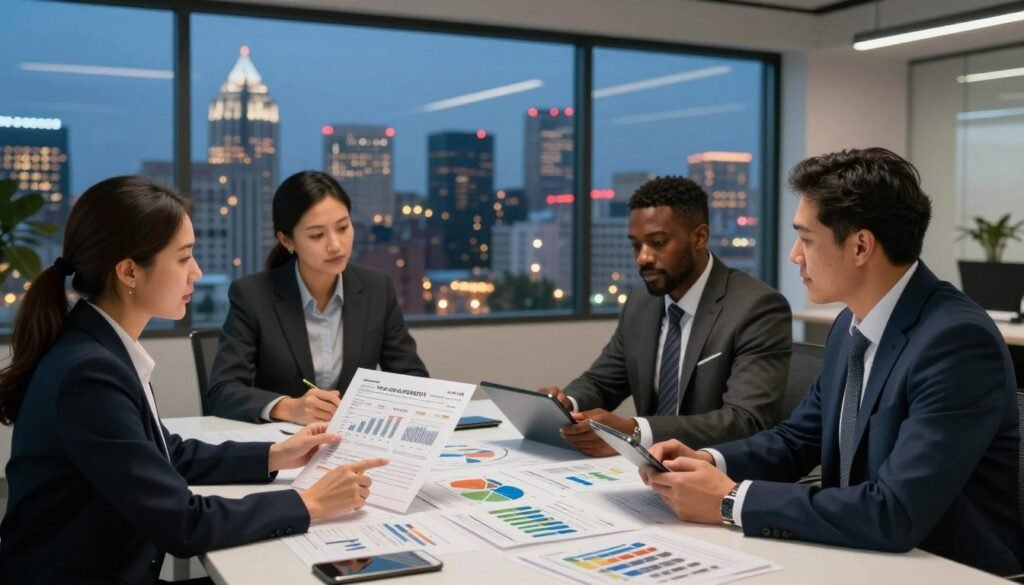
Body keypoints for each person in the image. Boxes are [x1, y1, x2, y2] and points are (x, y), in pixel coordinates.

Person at [641, 148, 1024, 575]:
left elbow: (894, 512)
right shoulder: (850, 325)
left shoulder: (955, 342)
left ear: (861, 245)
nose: (794, 256)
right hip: (856, 554)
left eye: (806, 239)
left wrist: (731, 501)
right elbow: (796, 439)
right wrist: (708, 462)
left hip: (946, 568)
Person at [0, 176, 388, 585]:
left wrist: (276, 454)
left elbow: (168, 454)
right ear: (129, 271)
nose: (197, 273)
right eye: (184, 258)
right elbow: (183, 523)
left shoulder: (97, 347)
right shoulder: (89, 372)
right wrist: (310, 502)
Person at [541, 176, 792, 456]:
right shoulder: (642, 301)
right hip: (646, 471)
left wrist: (636, 432)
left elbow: (746, 420)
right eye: (636, 245)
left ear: (700, 237)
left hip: (714, 475)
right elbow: (602, 381)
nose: (643, 258)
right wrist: (567, 405)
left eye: (658, 242)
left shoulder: (756, 308)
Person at [206, 170, 428, 424]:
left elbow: (412, 378)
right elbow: (222, 391)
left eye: (343, 227)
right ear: (287, 240)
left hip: (351, 443)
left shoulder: (377, 288)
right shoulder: (253, 296)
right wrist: (289, 408)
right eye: (316, 235)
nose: (335, 244)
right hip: (280, 445)